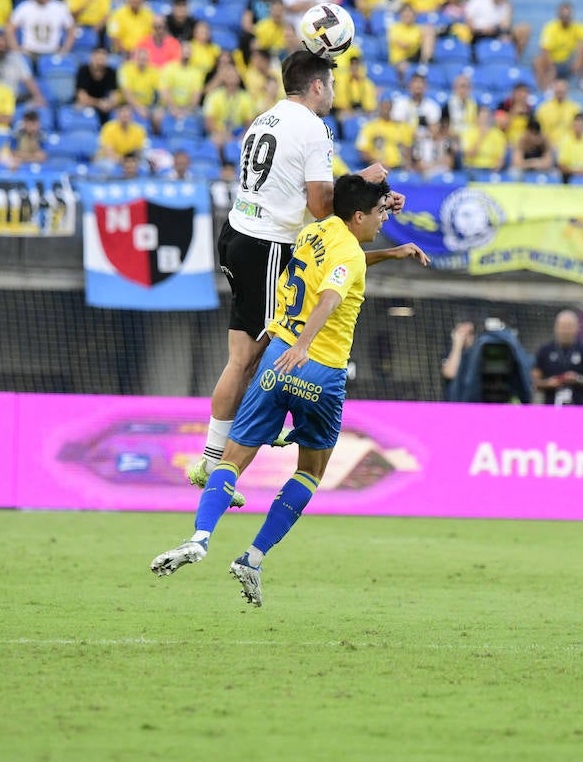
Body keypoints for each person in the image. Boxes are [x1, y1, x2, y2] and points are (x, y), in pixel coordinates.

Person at [151, 174, 428, 605]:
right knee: (310, 472)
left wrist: (389, 254)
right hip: (319, 371)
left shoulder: (313, 233)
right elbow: (331, 296)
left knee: (232, 460)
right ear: (358, 216)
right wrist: (304, 345)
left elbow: (343, 265)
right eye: (379, 214)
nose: (383, 221)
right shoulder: (349, 258)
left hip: (275, 363)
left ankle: (200, 537)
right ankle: (253, 558)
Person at [184, 50, 399, 508]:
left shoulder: (263, 120)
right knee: (254, 356)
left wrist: (369, 198)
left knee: (244, 355)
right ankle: (219, 462)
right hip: (267, 245)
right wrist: (361, 178)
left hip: (238, 233)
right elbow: (322, 207)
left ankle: (214, 456)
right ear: (317, 86)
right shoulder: (314, 128)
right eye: (333, 86)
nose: (336, 95)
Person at [532, 310, 583, 406]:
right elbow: (533, 382)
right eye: (562, 326)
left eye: (569, 327)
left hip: (578, 408)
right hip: (551, 408)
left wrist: (577, 379)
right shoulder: (544, 350)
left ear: (576, 328)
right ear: (556, 327)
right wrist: (548, 383)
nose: (565, 331)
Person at [533, 2, 583, 93]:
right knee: (538, 60)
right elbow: (545, 50)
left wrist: (579, 60)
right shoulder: (550, 27)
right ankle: (545, 89)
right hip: (553, 63)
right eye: (563, 15)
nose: (565, 18)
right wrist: (551, 66)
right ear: (558, 15)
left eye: (567, 15)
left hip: (569, 63)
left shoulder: (576, 27)